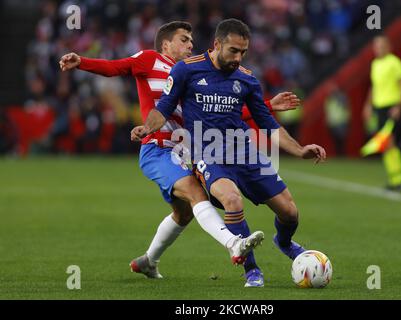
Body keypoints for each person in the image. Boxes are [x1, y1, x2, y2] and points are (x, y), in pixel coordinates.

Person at [59, 21, 301, 285]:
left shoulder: (193, 74)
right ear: (166, 44)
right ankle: (234, 245)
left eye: (191, 41)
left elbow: (224, 113)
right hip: (159, 147)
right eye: (184, 40)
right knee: (201, 195)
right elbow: (115, 67)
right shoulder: (151, 60)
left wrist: (266, 106)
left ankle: (148, 261)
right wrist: (81, 61)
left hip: (187, 150)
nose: (190, 45)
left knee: (183, 214)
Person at [132, 18, 326, 287]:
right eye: (233, 51)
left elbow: (267, 123)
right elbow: (163, 107)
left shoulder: (246, 79)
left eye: (243, 52)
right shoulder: (185, 70)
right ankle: (252, 270)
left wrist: (299, 149)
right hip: (206, 154)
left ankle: (283, 242)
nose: (238, 57)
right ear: (217, 44)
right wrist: (147, 128)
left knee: (290, 212)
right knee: (232, 200)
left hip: (245, 153)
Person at [363, 35, 401, 191]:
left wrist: (399, 106)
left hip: (391, 106)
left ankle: (398, 179)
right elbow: (374, 87)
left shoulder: (394, 62)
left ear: (388, 46)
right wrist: (368, 106)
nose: (378, 49)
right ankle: (394, 179)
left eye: (381, 46)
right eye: (376, 46)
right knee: (385, 143)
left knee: (389, 141)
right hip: (379, 108)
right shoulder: (375, 64)